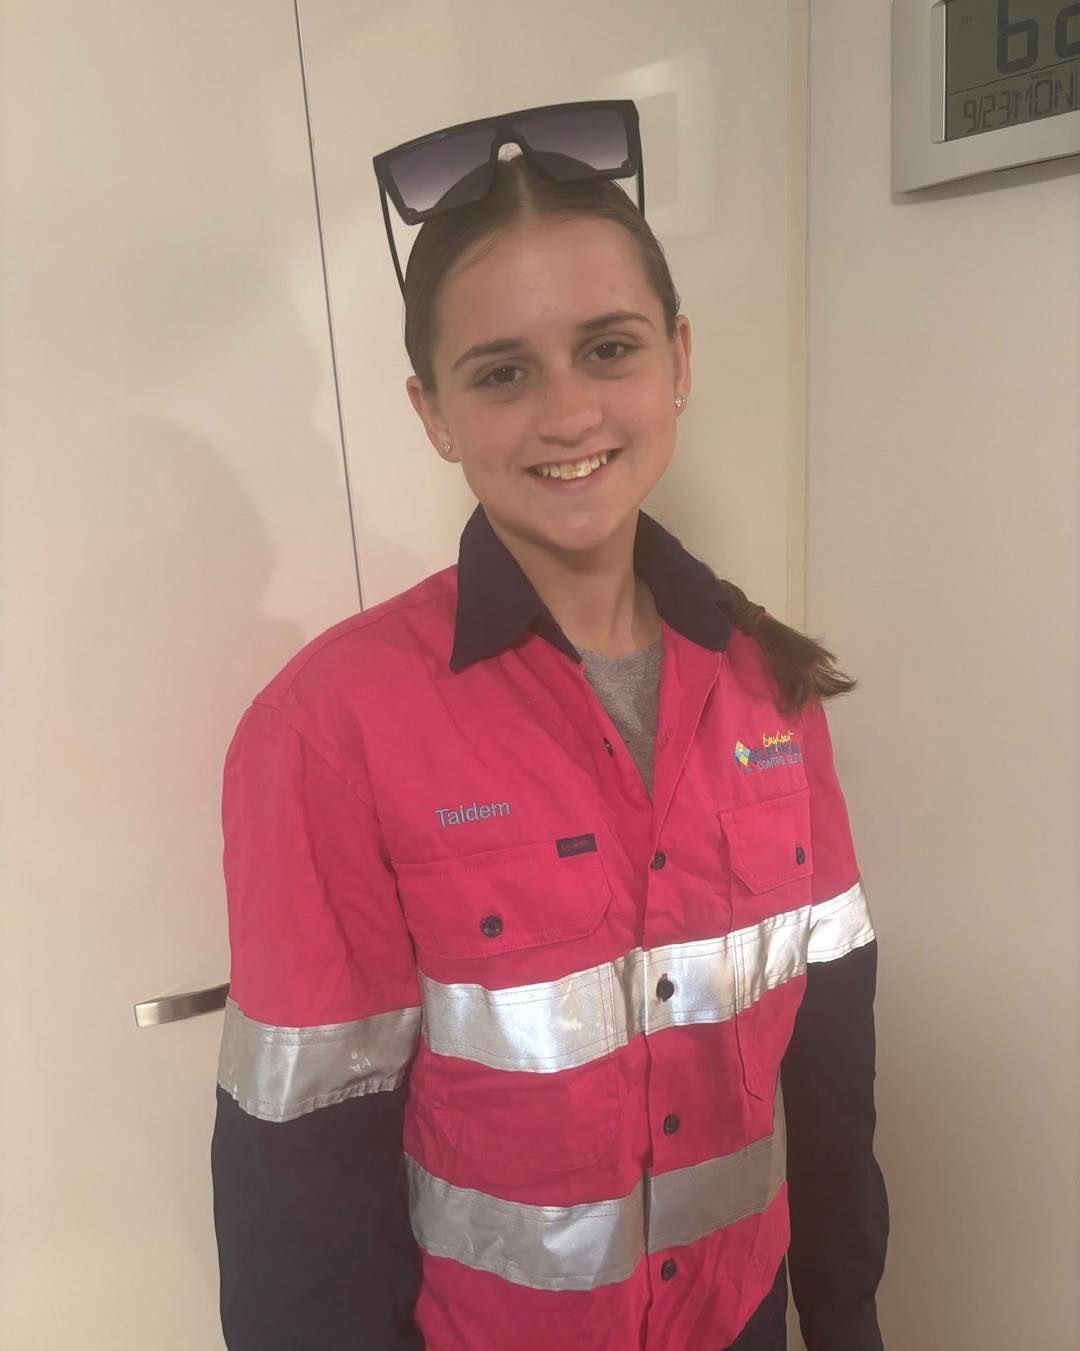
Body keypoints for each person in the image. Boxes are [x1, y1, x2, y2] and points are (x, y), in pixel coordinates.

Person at [211, 101, 888, 1351]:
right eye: (504, 372)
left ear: (679, 359)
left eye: (610, 348)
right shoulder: (327, 730)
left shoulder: (770, 689)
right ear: (434, 413)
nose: (570, 412)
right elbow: (297, 1185)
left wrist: (845, 1316)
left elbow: (831, 1072)